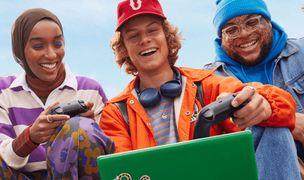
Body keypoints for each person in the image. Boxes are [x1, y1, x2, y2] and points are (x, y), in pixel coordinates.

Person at [99, 0, 300, 179]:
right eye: (133, 36)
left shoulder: (207, 83)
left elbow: (264, 96)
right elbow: (122, 171)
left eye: (152, 30)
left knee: (274, 130)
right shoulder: (116, 112)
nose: (144, 40)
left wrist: (263, 103)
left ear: (167, 38)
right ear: (124, 49)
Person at [0, 8, 114, 179]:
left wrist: (86, 133)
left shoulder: (90, 90)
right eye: (38, 46)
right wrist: (30, 137)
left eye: (58, 44)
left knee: (80, 129)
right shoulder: (2, 91)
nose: (51, 54)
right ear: (20, 51)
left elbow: (111, 155)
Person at [204, 0, 304, 177]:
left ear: (268, 22)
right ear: (221, 37)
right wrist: (289, 121)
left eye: (251, 22)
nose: (243, 34)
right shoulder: (209, 80)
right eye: (231, 29)